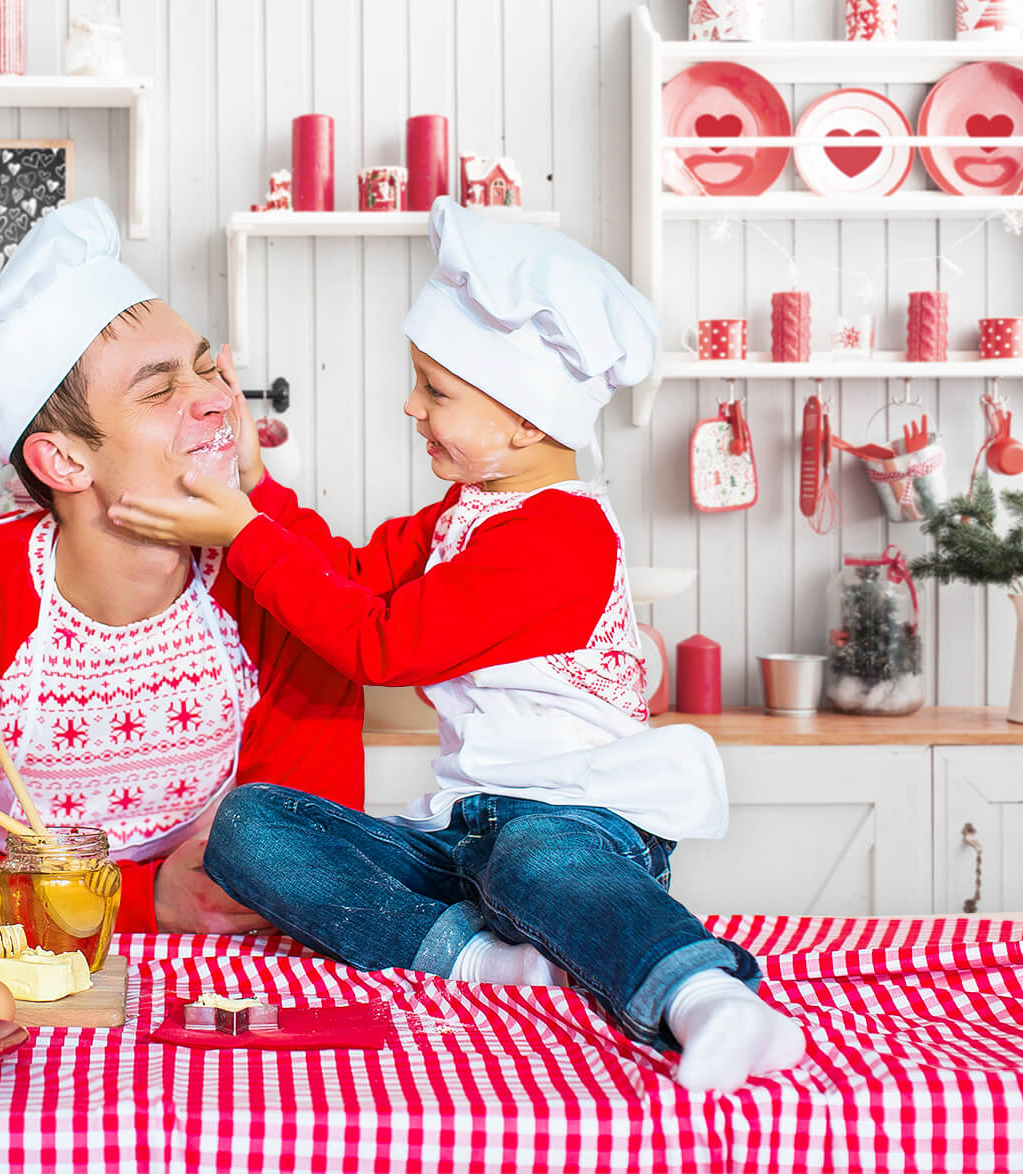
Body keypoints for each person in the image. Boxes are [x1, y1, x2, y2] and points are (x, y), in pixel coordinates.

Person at [108, 198, 806, 1092]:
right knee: (251, 826)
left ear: (523, 417)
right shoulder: (466, 513)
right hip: (468, 833)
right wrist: (254, 483)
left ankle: (705, 996)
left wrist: (242, 534)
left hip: (578, 826)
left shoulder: (563, 535)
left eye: (436, 391)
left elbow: (379, 645)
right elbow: (351, 573)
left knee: (532, 857)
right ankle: (483, 961)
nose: (411, 407)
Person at [0, 197, 363, 935]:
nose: (219, 400)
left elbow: (311, 847)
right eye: (160, 388)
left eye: (205, 369)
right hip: (23, 975)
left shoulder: (287, 586)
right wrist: (146, 896)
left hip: (238, 972)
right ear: (62, 460)